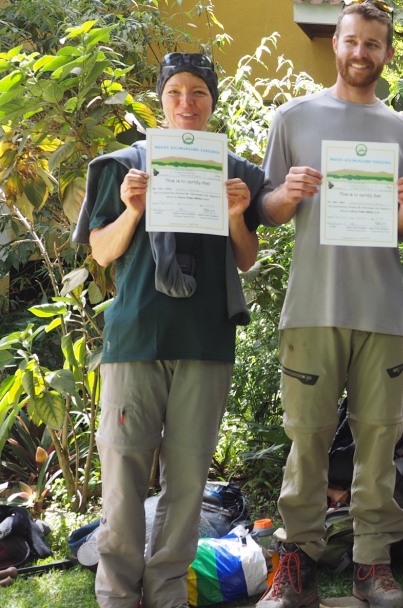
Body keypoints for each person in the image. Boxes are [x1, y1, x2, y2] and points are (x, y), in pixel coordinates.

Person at [73, 52, 264, 608]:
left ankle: (165, 592)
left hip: (206, 343)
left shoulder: (232, 169)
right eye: (176, 91)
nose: (187, 103)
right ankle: (116, 592)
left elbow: (246, 259)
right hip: (136, 341)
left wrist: (236, 218)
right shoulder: (124, 166)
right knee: (124, 471)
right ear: (161, 98)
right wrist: (133, 211)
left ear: (212, 102)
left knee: (186, 480)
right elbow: (102, 253)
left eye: (199, 93)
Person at [254, 0, 403, 608]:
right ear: (337, 43)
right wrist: (287, 194)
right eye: (352, 41)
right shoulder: (294, 119)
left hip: (381, 311)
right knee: (307, 440)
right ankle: (295, 567)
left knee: (380, 443)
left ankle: (372, 566)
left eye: (373, 45)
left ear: (385, 52)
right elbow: (266, 212)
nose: (361, 53)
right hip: (312, 308)